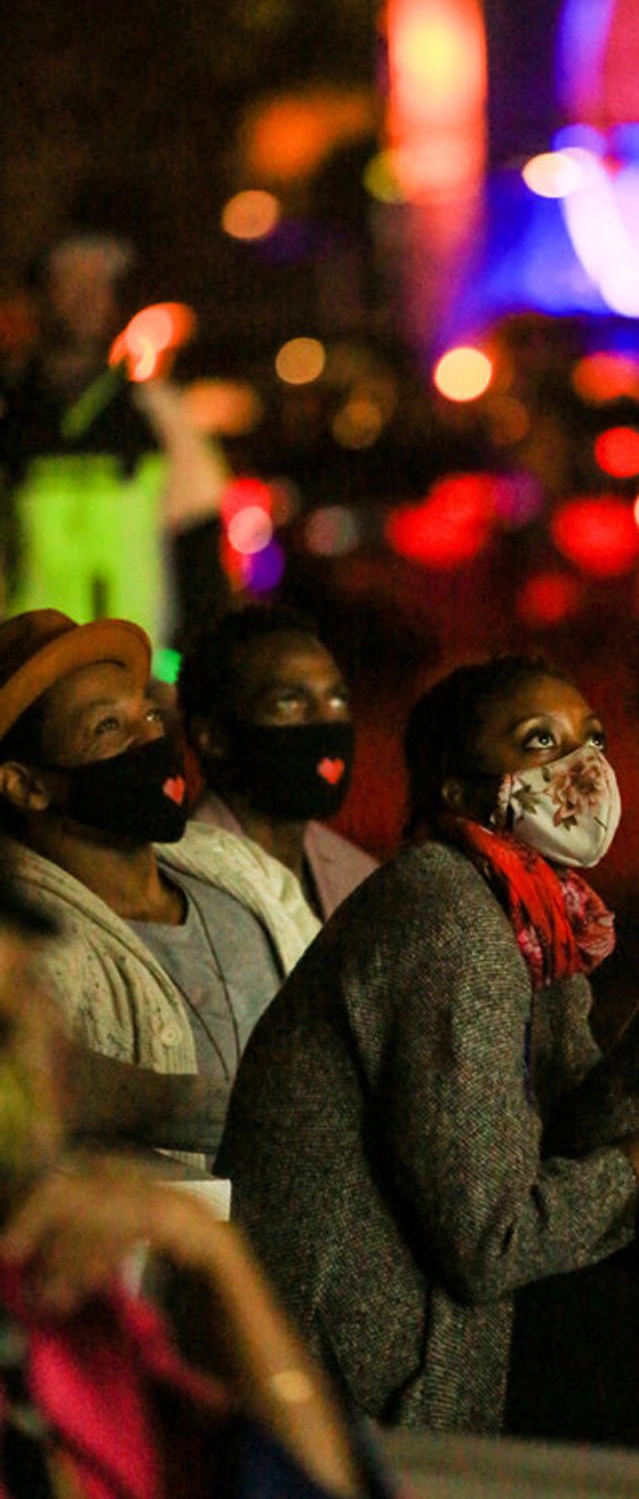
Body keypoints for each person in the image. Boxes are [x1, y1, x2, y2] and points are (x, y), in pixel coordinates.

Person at [218, 654, 639, 1461]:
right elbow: (490, 1242)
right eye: (539, 742)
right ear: (458, 792)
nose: (581, 767)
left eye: (589, 738)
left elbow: (568, 1129)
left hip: (442, 1315)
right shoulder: (447, 917)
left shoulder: (526, 908)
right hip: (378, 1365)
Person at [0, 876, 387, 1498]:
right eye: (4, 1033)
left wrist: (217, 1256)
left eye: (30, 1014)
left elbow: (312, 1485)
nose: (34, 1066)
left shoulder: (65, 1308)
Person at [0, 608, 318, 1166]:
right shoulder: (22, 943)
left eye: (148, 715)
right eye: (108, 728)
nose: (150, 739)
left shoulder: (238, 868)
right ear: (25, 785)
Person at [0, 231, 229, 649]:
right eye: (71, 282)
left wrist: (188, 662)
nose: (88, 298)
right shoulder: (9, 414)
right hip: (29, 671)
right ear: (39, 296)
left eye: (100, 284)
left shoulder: (157, 413)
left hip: (138, 666)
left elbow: (199, 547)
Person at [178, 607, 378, 924]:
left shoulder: (358, 876)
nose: (326, 720)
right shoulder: (180, 886)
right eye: (288, 703)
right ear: (212, 736)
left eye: (337, 699)